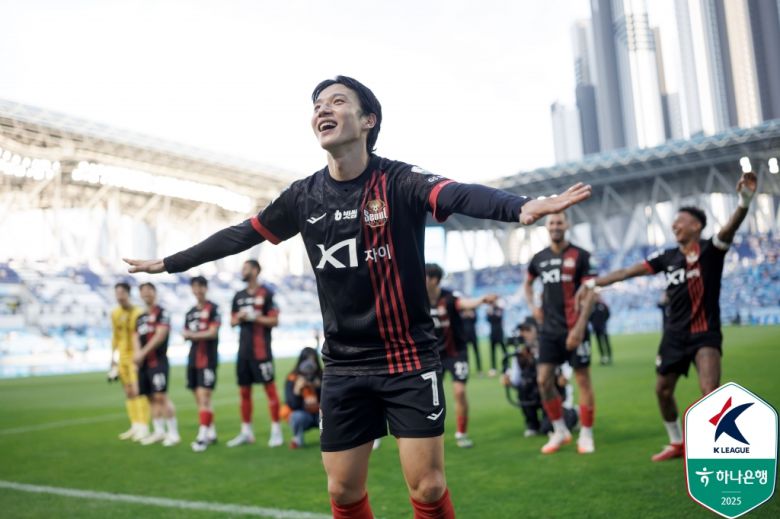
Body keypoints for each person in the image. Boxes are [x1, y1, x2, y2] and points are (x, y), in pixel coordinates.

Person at [125, 75, 591, 518]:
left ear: (369, 120)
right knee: (342, 490)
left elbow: (456, 194)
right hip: (345, 364)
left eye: (337, 101)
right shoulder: (303, 197)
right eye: (317, 105)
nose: (323, 110)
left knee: (428, 487)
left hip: (408, 358)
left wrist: (519, 207)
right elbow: (242, 234)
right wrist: (172, 262)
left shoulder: (398, 181)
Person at [580, 171, 757, 462]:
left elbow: (729, 229)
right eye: (673, 222)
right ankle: (677, 442)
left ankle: (716, 451)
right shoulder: (667, 257)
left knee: (710, 392)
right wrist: (594, 283)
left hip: (705, 333)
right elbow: (627, 272)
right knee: (662, 391)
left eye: (680, 221)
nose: (674, 225)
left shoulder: (711, 250)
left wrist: (744, 202)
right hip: (674, 335)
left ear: (696, 225)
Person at [524, 211, 598, 454]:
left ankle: (586, 434)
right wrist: (532, 306)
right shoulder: (538, 258)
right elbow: (527, 283)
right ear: (547, 227)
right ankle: (560, 431)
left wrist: (579, 328)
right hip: (549, 330)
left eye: (559, 222)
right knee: (543, 380)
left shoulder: (582, 255)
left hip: (576, 328)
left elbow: (591, 293)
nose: (555, 226)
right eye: (552, 223)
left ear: (567, 225)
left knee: (583, 380)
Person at [425, 263, 496, 448]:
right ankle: (428, 436)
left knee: (459, 391)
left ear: (434, 280)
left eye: (424, 276)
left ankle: (462, 434)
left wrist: (481, 300)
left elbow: (464, 303)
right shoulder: (418, 299)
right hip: (432, 356)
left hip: (456, 353)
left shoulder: (449, 297)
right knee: (429, 398)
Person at [227, 260, 283, 448]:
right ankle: (246, 432)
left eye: (245, 268)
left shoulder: (267, 293)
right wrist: (239, 317)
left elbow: (274, 321)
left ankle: (276, 431)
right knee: (244, 391)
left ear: (255, 270)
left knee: (270, 390)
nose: (242, 271)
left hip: (262, 352)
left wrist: (254, 317)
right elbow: (231, 322)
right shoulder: (238, 295)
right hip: (243, 352)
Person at [132, 282, 180, 446]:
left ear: (154, 292)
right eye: (143, 291)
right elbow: (135, 337)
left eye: (149, 290)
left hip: (157, 361)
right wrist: (137, 355)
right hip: (143, 364)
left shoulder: (162, 313)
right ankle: (159, 431)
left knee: (161, 396)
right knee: (150, 397)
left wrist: (142, 353)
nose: (146, 293)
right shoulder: (140, 318)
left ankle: (173, 433)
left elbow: (160, 335)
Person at [183, 276, 222, 453]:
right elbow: (185, 333)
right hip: (193, 359)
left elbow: (213, 332)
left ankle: (201, 438)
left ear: (206, 288)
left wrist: (192, 335)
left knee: (204, 398)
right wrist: (189, 335)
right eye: (194, 287)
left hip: (208, 359)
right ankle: (211, 433)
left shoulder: (214, 308)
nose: (197, 290)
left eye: (200, 287)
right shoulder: (190, 312)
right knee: (199, 399)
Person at [110, 282, 149, 441]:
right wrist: (113, 359)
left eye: (122, 293)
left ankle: (144, 426)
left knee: (138, 390)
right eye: (117, 293)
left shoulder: (139, 313)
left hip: (135, 357)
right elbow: (115, 337)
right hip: (122, 359)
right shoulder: (115, 313)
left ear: (128, 294)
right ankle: (135, 425)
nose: (119, 297)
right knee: (128, 391)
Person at [284, 347, 323, 449]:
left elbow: (330, 401)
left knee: (328, 415)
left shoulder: (321, 376)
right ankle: (297, 438)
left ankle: (327, 440)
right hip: (303, 414)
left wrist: (319, 387)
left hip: (319, 413)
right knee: (297, 416)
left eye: (312, 361)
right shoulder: (293, 378)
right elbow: (292, 405)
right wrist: (297, 390)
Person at [589, 296, 612, 365]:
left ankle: (609, 357)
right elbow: (589, 317)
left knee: (606, 342)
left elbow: (608, 314)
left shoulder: (603, 305)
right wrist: (593, 323)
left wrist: (603, 322)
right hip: (596, 328)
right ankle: (603, 357)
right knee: (599, 343)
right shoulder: (591, 306)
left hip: (603, 327)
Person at [486, 300, 506, 377]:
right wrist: (491, 313)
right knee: (492, 352)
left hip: (500, 333)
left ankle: (506, 366)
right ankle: (493, 368)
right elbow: (488, 319)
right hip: (492, 333)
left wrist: (492, 314)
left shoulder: (500, 309)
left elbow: (499, 318)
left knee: (504, 351)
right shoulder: (489, 310)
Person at [460, 309, 481, 374]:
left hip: (473, 334)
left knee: (476, 352)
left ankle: (479, 370)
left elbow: (476, 320)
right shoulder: (461, 311)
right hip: (465, 335)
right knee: (465, 354)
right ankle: (466, 369)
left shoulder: (473, 310)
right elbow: (459, 321)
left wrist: (471, 315)